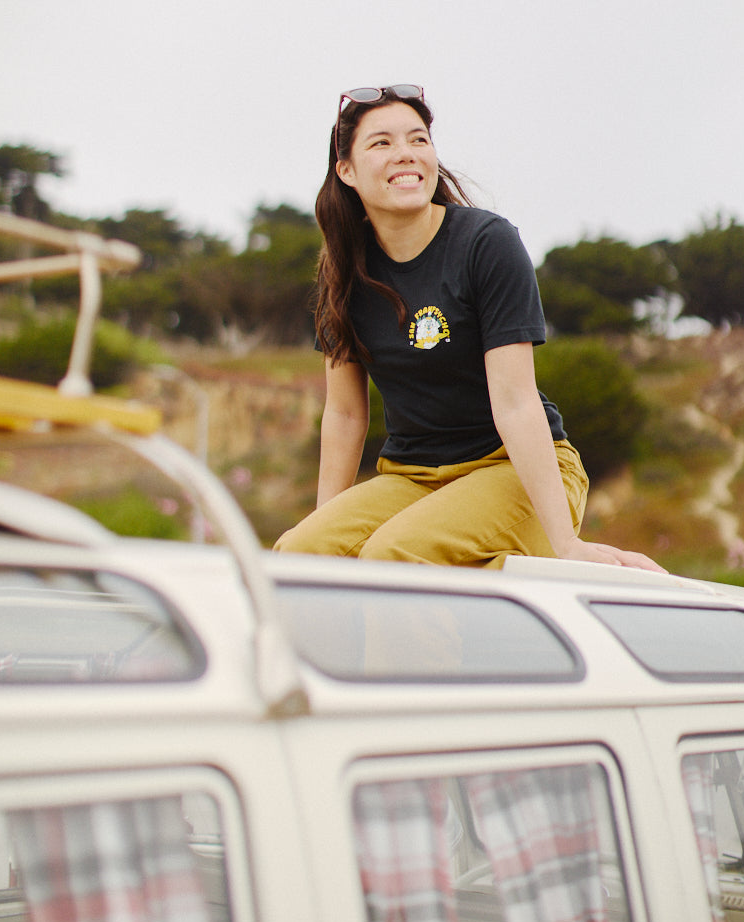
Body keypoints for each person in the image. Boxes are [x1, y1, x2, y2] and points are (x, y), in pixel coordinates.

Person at [273, 84, 663, 573]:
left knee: (394, 555)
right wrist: (324, 528)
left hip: (510, 467)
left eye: (419, 140)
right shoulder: (343, 271)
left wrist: (566, 543)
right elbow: (347, 414)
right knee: (297, 554)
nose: (406, 154)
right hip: (414, 477)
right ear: (346, 170)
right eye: (382, 143)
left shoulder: (486, 243)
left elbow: (516, 400)